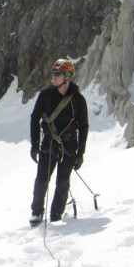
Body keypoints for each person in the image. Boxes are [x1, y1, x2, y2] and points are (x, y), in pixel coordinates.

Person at [29, 58, 89, 226]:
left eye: (57, 74)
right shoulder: (45, 96)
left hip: (69, 145)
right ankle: (36, 213)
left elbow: (84, 126)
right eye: (53, 74)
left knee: (63, 181)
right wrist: (34, 145)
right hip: (49, 144)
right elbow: (34, 119)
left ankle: (56, 215)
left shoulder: (78, 101)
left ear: (67, 77)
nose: (53, 77)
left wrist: (80, 153)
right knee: (42, 179)